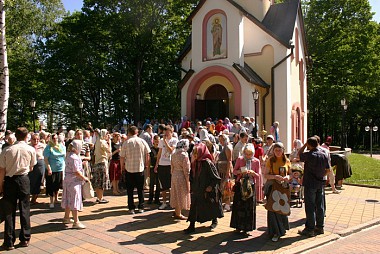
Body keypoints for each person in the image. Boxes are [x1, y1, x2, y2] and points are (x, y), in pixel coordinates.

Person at [0, 127, 37, 250]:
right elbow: (32, 167)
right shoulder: (31, 149)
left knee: (9, 211)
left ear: (15, 136)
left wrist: (0, 184)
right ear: (27, 137)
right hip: (24, 179)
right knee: (24, 209)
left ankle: (9, 241)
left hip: (10, 180)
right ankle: (25, 238)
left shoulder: (7, 150)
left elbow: (2, 170)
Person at [184, 142, 223, 234]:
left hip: (207, 190)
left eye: (196, 152)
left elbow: (216, 178)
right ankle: (191, 225)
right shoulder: (195, 163)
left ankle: (214, 220)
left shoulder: (207, 163)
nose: (195, 155)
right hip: (197, 189)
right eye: (194, 153)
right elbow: (192, 176)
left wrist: (210, 186)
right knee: (194, 207)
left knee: (212, 206)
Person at [297, 137, 330, 237]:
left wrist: (304, 145)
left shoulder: (309, 154)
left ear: (309, 145)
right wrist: (321, 175)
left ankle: (310, 229)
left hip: (310, 183)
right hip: (320, 183)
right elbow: (328, 170)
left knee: (310, 206)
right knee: (320, 205)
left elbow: (299, 154)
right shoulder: (324, 154)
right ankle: (320, 227)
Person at [264, 142, 291, 242]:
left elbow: (291, 174)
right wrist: (275, 177)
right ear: (273, 151)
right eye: (276, 150)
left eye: (280, 150)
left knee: (282, 208)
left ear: (283, 150)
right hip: (272, 188)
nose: (278, 152)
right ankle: (275, 232)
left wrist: (288, 177)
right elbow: (265, 175)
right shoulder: (270, 161)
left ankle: (282, 229)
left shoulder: (287, 161)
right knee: (273, 209)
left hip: (283, 188)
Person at [120, 126, 151, 214]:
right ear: (137, 132)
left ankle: (131, 208)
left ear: (129, 133)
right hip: (140, 168)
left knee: (130, 190)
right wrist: (147, 165)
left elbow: (122, 157)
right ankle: (141, 206)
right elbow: (147, 154)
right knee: (140, 189)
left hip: (129, 169)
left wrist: (122, 167)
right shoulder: (142, 141)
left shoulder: (126, 143)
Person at [230, 144, 260, 233]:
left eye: (249, 154)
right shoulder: (240, 159)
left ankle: (247, 227)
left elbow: (259, 175)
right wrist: (240, 172)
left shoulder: (256, 161)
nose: (248, 156)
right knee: (239, 206)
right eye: (246, 154)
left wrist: (253, 173)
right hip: (241, 184)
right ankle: (238, 226)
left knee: (249, 207)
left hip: (250, 185)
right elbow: (234, 171)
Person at [61, 140, 88, 229]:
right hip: (74, 181)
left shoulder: (69, 155)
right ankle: (76, 222)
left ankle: (66, 217)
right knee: (75, 200)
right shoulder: (74, 157)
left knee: (68, 198)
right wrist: (84, 178)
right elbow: (76, 171)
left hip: (68, 180)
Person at [154, 125, 178, 210]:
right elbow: (159, 153)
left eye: (168, 131)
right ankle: (164, 202)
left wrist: (165, 141)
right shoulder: (161, 141)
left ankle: (172, 202)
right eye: (165, 132)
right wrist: (157, 164)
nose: (166, 133)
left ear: (172, 132)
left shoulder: (174, 140)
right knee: (163, 185)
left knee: (171, 184)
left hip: (170, 164)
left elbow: (171, 150)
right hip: (162, 164)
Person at [44, 133, 66, 208]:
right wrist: (49, 168)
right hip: (51, 169)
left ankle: (56, 198)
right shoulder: (48, 147)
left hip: (60, 168)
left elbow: (64, 156)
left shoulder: (61, 146)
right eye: (53, 138)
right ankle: (51, 201)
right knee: (51, 185)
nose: (55, 140)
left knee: (58, 184)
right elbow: (46, 159)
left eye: (56, 138)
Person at [170, 140, 191, 220]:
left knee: (176, 193)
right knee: (180, 194)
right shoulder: (184, 155)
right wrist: (188, 181)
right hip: (181, 176)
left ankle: (177, 211)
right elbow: (186, 170)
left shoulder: (174, 154)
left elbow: (172, 167)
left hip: (175, 175)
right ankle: (178, 213)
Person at [91, 129, 111, 204]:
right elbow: (109, 151)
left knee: (97, 181)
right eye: (106, 134)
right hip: (102, 163)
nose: (107, 136)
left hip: (97, 162)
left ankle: (99, 197)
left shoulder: (97, 141)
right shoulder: (103, 142)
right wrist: (109, 142)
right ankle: (100, 198)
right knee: (101, 181)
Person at [216, 134, 233, 212]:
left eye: (222, 140)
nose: (220, 141)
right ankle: (226, 203)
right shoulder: (224, 147)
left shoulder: (228, 147)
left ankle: (227, 204)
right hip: (221, 169)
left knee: (227, 187)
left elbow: (229, 160)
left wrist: (227, 172)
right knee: (224, 187)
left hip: (225, 169)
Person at [28, 133, 46, 205]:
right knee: (30, 180)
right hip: (30, 164)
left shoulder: (42, 146)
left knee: (38, 180)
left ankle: (34, 199)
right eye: (34, 139)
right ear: (31, 139)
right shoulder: (28, 146)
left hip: (40, 163)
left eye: (37, 139)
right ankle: (27, 198)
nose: (36, 141)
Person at [148, 135, 160, 204]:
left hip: (159, 168)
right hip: (152, 167)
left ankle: (157, 199)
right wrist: (148, 169)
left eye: (158, 141)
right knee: (151, 184)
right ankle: (150, 198)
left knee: (158, 184)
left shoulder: (160, 149)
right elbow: (149, 160)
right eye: (155, 141)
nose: (157, 142)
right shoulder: (151, 149)